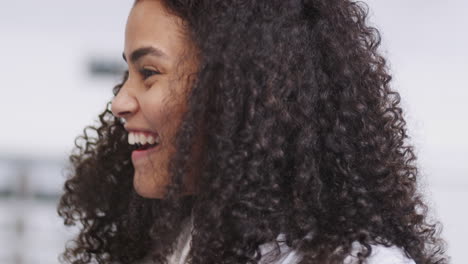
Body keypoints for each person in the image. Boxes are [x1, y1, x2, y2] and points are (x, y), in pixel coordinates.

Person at [57, 0, 448, 263]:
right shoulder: (177, 238)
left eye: (148, 73)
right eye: (128, 73)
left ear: (238, 89)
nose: (120, 102)